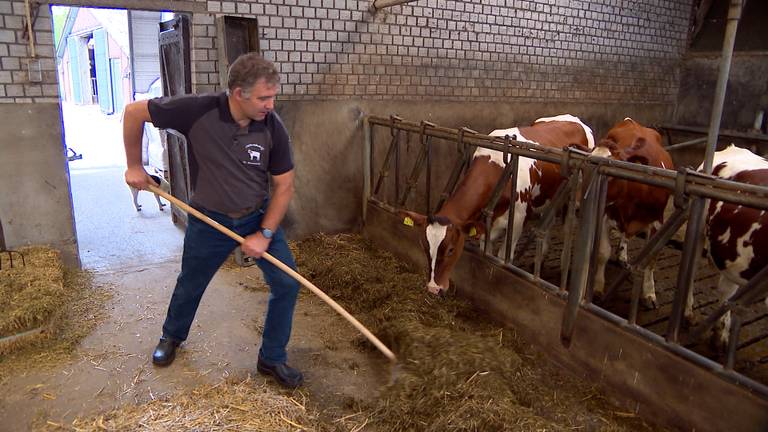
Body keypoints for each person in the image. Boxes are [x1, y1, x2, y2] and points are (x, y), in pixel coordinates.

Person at [122, 53, 303, 388]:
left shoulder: (272, 127)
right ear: (239, 94)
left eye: (273, 96)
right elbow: (134, 112)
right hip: (209, 220)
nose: (271, 104)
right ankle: (172, 336)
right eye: (264, 97)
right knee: (192, 281)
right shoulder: (197, 110)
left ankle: (272, 357)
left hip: (257, 217)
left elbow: (284, 185)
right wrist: (135, 165)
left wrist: (264, 233)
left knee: (287, 284)